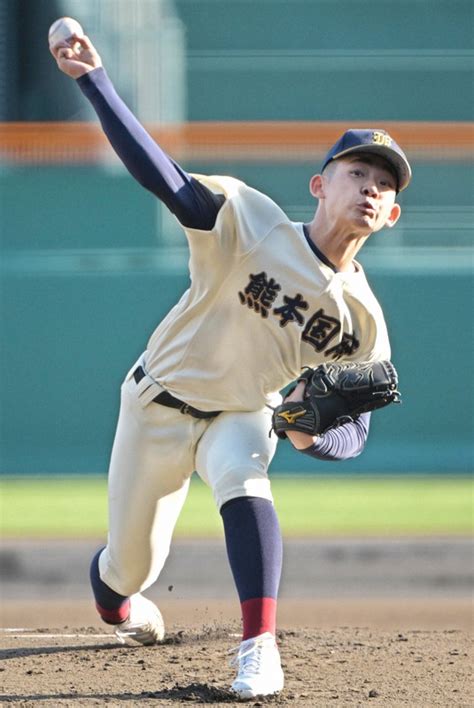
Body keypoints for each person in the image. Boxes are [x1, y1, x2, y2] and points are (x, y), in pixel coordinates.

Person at [50, 30, 411, 700]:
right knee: (129, 567)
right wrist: (94, 81)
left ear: (391, 215)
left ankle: (258, 649)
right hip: (157, 401)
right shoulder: (251, 220)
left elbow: (352, 431)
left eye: (383, 184)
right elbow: (168, 181)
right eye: (356, 171)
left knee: (247, 480)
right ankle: (117, 604)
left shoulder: (364, 321)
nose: (369, 186)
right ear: (320, 184)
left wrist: (309, 434)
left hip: (244, 412)